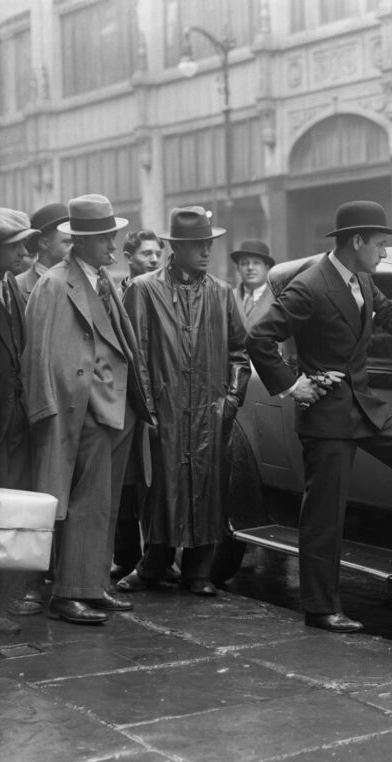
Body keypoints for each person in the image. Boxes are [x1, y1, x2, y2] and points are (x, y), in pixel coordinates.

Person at [246, 201, 392, 633]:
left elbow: (386, 312)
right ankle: (321, 609)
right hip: (327, 416)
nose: (385, 253)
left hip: (365, 406)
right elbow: (259, 336)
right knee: (324, 515)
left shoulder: (361, 278)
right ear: (356, 241)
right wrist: (291, 385)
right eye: (380, 244)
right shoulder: (310, 286)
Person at [23, 194, 154, 625]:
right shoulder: (56, 283)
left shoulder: (99, 278)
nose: (112, 246)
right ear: (80, 240)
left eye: (112, 237)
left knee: (105, 504)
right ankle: (70, 593)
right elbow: (38, 354)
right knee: (83, 503)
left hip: (114, 410)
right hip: (83, 411)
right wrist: (47, 413)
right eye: (103, 238)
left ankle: (94, 584)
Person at [117, 208, 248, 597]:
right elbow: (134, 353)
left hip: (210, 409)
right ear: (179, 247)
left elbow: (240, 352)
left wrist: (231, 400)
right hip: (164, 409)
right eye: (198, 245)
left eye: (208, 244)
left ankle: (199, 571)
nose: (206, 252)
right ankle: (152, 565)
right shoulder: (144, 289)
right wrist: (148, 410)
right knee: (161, 491)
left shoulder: (221, 293)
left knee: (209, 491)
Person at [0, 209, 38, 633]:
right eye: (16, 245)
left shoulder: (9, 289)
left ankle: (4, 600)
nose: (25, 251)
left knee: (12, 511)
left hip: (16, 421)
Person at [110, 228, 165, 579]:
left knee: (154, 482)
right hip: (120, 403)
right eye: (147, 254)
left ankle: (157, 558)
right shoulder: (115, 294)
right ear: (129, 258)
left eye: (158, 253)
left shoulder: (163, 294)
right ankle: (125, 555)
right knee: (124, 482)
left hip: (154, 401)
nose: (155, 260)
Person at [15, 203, 70, 305]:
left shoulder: (80, 281)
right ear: (44, 243)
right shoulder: (17, 287)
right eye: (67, 242)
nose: (74, 248)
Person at [231, 239, 276, 328]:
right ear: (238, 269)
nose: (250, 267)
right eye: (244, 263)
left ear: (267, 267)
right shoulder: (228, 297)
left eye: (256, 263)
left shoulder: (278, 299)